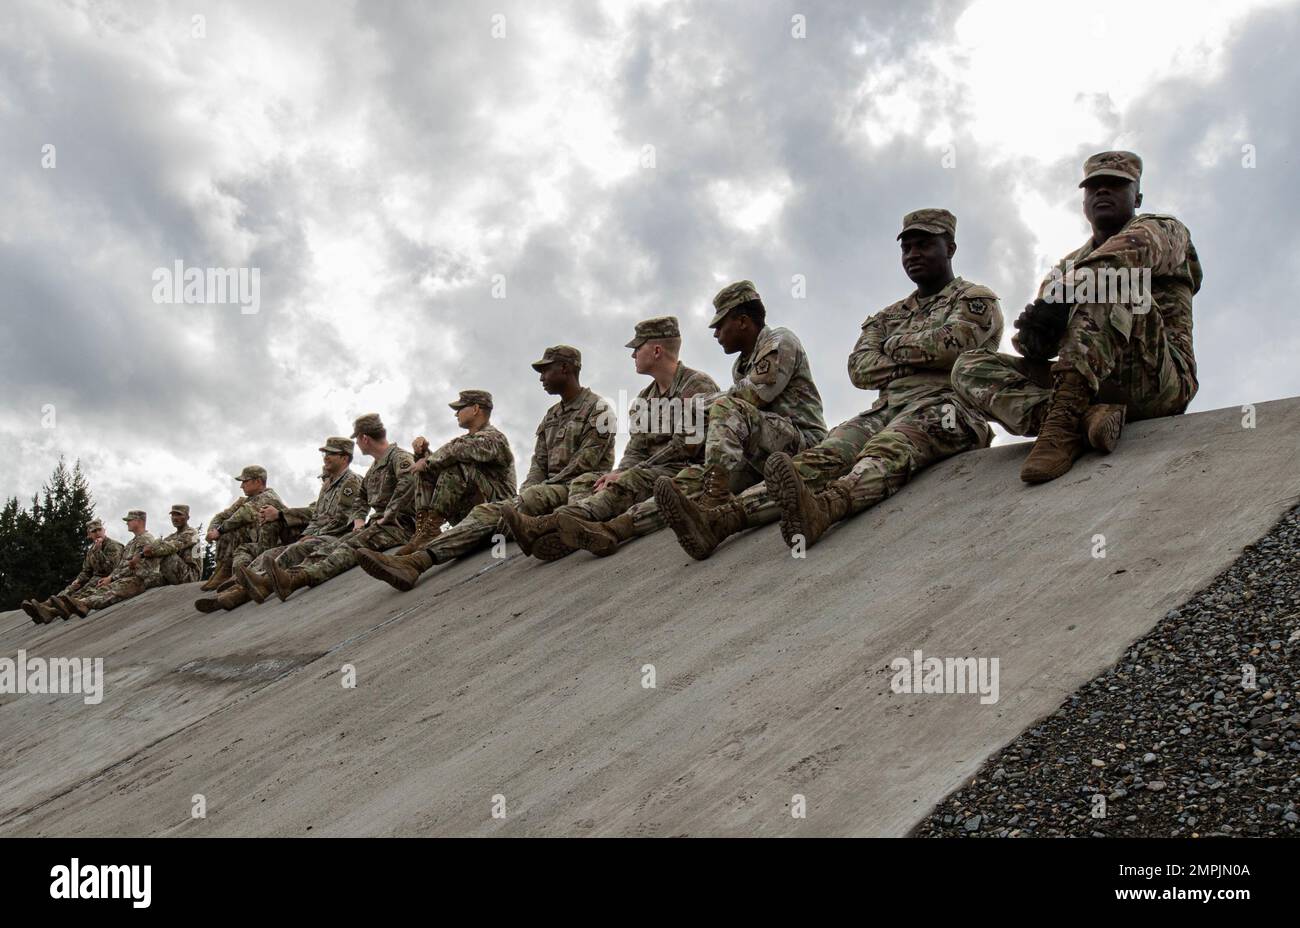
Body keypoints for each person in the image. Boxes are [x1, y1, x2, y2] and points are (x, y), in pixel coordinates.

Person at [950, 151, 1202, 483]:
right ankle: (1083, 419)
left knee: (1110, 281)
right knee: (968, 368)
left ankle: (1061, 428)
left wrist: (1065, 294)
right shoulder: (1067, 266)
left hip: (1157, 381)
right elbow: (1049, 343)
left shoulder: (1165, 230)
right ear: (1083, 202)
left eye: (1115, 185)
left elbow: (1128, 255)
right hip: (1092, 383)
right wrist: (1036, 338)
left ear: (1137, 197)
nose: (1102, 192)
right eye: (1094, 187)